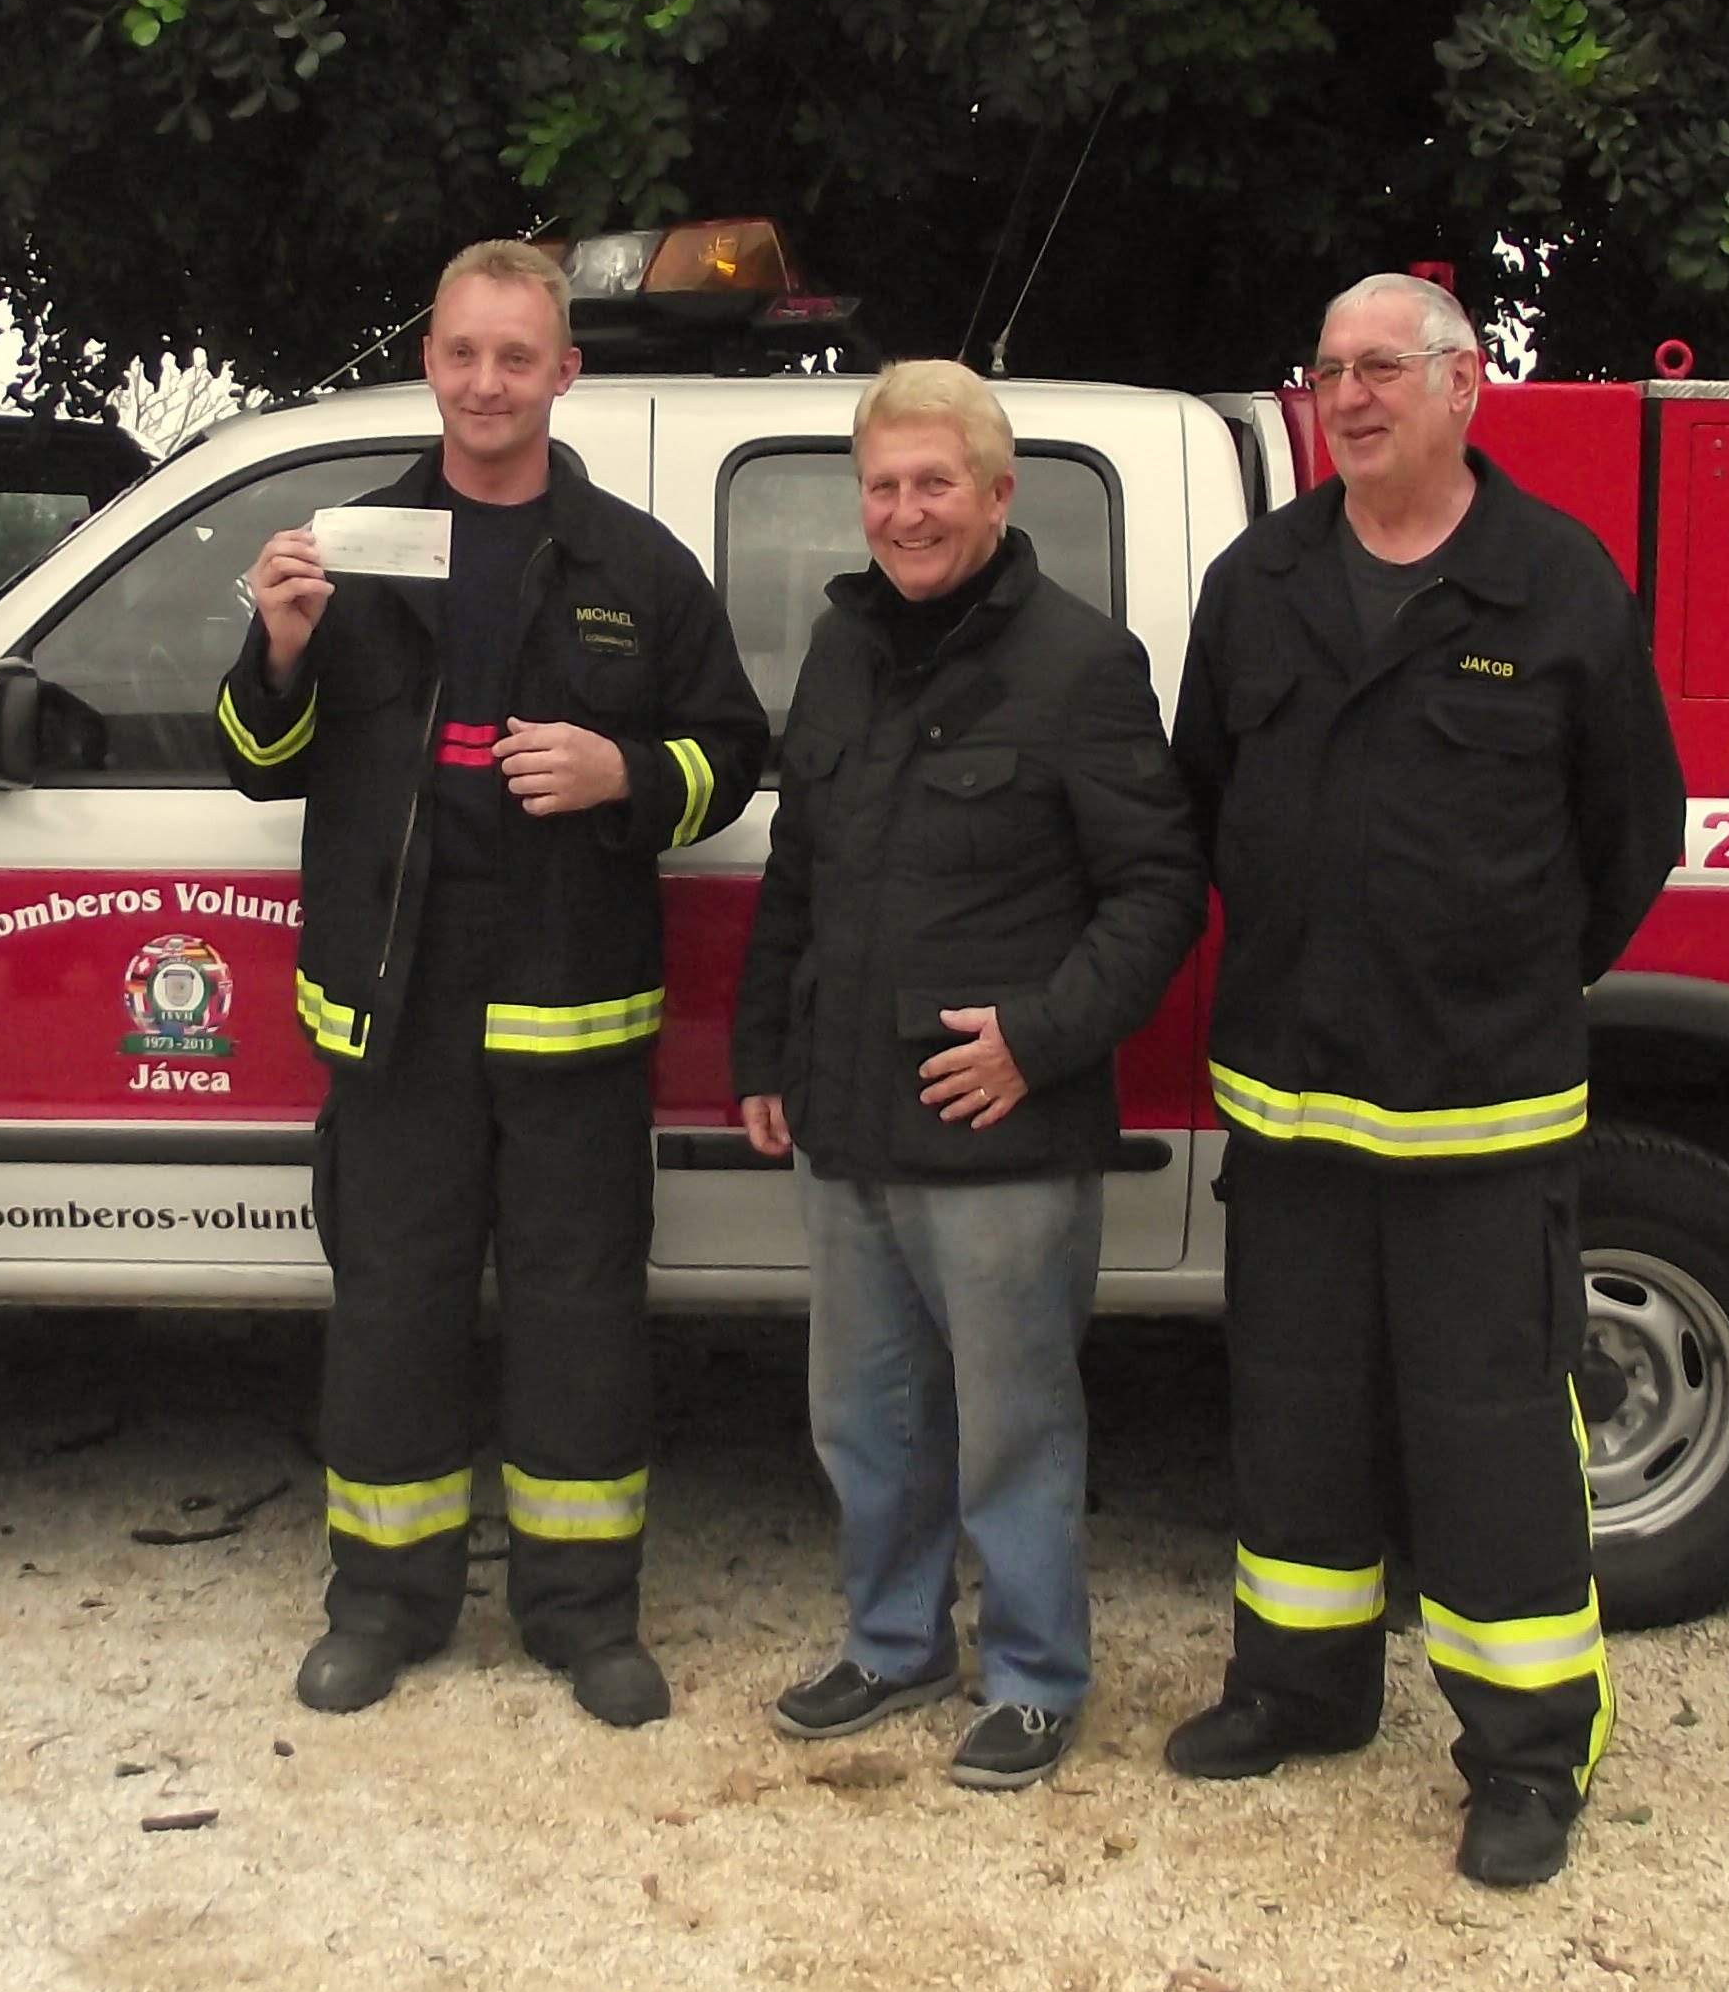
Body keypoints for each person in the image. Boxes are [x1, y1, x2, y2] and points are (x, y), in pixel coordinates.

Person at [1162, 273, 1687, 1885]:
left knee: (1491, 1439)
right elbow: (1204, 798)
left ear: (1469, 388)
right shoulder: (1261, 581)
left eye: (1384, 367)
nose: (1352, 395)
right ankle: (1301, 1688)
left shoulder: (1555, 585)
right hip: (1295, 1107)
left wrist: (1493, 973)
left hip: (1484, 1115)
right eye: (1328, 371)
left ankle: (1529, 1753)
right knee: (1298, 1415)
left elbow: (1632, 839)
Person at [217, 240, 769, 1726]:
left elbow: (732, 757)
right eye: (463, 352)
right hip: (394, 1006)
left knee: (579, 1311)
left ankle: (583, 1613)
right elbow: (259, 761)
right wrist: (275, 648)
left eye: (516, 357)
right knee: (391, 1305)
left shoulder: (635, 566)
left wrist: (624, 771)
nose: (485, 382)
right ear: (430, 361)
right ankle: (384, 1605)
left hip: (571, 1004)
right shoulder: (346, 546)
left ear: (563, 373)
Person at [731, 362, 1204, 1789]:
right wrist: (765, 1045)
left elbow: (1159, 889)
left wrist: (1036, 1043)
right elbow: (799, 869)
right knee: (863, 1418)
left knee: (1013, 1423)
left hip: (1001, 1125)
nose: (906, 511)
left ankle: (1038, 1675)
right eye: (883, 485)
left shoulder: (1078, 663)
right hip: (849, 1119)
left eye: (935, 483)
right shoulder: (840, 650)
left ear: (998, 495)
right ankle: (891, 1644)